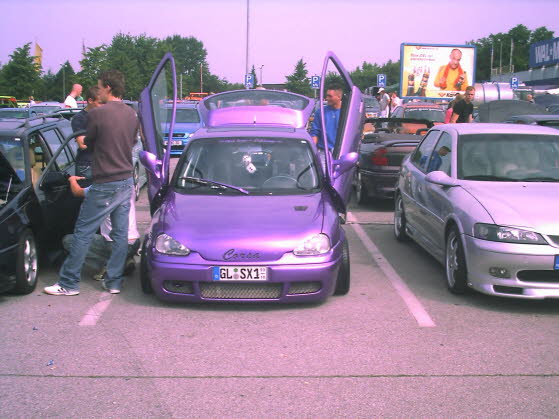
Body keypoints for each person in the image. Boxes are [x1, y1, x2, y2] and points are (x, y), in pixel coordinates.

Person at [44, 70, 138, 296]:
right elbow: (133, 141)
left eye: (100, 86)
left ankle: (68, 283)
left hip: (105, 180)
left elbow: (88, 143)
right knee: (120, 234)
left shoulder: (98, 114)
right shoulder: (131, 113)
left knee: (83, 232)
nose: (99, 90)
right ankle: (113, 282)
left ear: (108, 87)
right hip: (126, 179)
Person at [62, 175, 140, 279]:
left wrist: (72, 179)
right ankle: (125, 259)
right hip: (134, 242)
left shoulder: (101, 187)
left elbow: (77, 191)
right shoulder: (129, 185)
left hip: (114, 244)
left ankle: (110, 266)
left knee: (69, 241)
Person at [71, 86, 102, 179]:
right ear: (90, 100)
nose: (103, 106)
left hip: (103, 164)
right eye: (100, 103)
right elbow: (82, 144)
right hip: (87, 165)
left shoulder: (104, 117)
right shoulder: (79, 118)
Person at [310, 84, 343, 152]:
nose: (327, 98)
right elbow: (315, 132)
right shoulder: (321, 112)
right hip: (324, 151)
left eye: (330, 96)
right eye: (327, 96)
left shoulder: (347, 112)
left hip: (342, 151)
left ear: (339, 97)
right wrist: (313, 150)